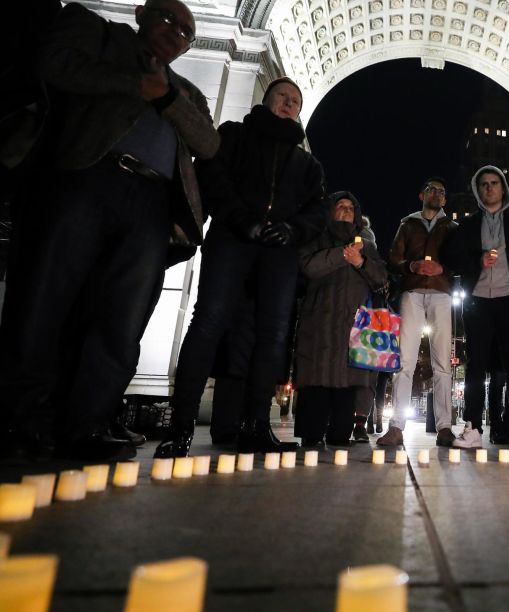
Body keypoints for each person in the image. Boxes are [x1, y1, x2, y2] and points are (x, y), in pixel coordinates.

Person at [0, 0, 219, 461]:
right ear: (140, 13)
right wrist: (137, 85)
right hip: (84, 176)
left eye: (187, 31)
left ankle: (89, 422)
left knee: (123, 317)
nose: (177, 32)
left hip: (151, 202)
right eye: (168, 19)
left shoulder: (187, 91)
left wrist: (166, 96)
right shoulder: (96, 32)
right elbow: (55, 64)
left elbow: (209, 141)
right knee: (45, 298)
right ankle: (23, 420)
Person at [155, 76, 327, 457]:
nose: (289, 103)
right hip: (233, 238)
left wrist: (292, 229)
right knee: (209, 321)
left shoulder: (307, 162)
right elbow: (213, 176)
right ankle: (180, 425)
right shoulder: (234, 134)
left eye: (296, 101)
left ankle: (257, 427)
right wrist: (240, 218)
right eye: (282, 96)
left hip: (279, 252)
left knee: (273, 335)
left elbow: (318, 209)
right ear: (265, 99)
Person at [445, 165, 509, 450]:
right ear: (478, 191)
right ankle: (473, 428)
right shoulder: (467, 225)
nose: (489, 188)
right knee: (476, 365)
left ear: (503, 187)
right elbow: (452, 257)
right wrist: (477, 260)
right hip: (477, 301)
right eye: (483, 185)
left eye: (494, 183)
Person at [293, 192, 387, 447]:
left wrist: (361, 262)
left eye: (350, 207)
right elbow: (308, 266)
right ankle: (311, 433)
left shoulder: (366, 246)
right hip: (319, 322)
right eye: (340, 206)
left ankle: (341, 431)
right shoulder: (317, 237)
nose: (345, 211)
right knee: (316, 378)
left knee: (347, 382)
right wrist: (342, 255)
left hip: (353, 326)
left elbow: (381, 278)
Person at [377, 177, 458, 447]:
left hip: (442, 293)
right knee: (404, 361)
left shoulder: (451, 226)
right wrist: (411, 267)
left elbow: (459, 260)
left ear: (445, 200)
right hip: (411, 292)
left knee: (443, 363)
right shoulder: (407, 223)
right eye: (431, 190)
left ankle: (445, 427)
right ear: (421, 195)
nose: (436, 194)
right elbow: (393, 258)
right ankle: (396, 426)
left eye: (441, 192)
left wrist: (443, 269)